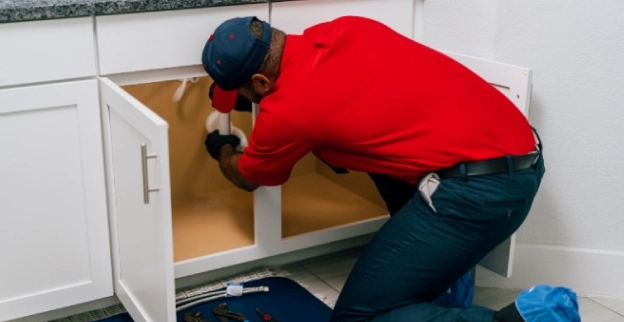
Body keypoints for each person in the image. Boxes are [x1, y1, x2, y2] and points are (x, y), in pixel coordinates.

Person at [199, 15, 573, 322]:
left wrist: (224, 150)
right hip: (521, 157)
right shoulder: (349, 27)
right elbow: (339, 117)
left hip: (477, 194)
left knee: (360, 317)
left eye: (247, 93)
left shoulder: (288, 114)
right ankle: (442, 299)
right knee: (351, 155)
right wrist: (241, 98)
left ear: (262, 82)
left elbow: (248, 177)